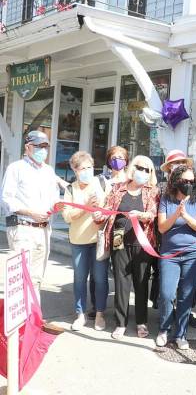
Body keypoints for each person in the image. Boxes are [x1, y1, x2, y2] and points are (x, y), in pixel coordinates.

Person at [95, 155, 160, 340]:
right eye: (140, 167)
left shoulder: (152, 191)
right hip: (118, 240)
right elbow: (106, 210)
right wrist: (98, 214)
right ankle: (120, 323)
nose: (143, 172)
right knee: (121, 282)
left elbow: (153, 213)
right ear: (132, 168)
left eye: (148, 170)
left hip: (142, 242)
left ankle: (141, 322)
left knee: (141, 283)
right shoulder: (118, 188)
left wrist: (141, 215)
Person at [1, 130, 60, 294]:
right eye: (39, 146)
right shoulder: (16, 168)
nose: (43, 151)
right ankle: (20, 320)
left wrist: (59, 206)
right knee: (20, 279)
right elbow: (6, 199)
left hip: (44, 230)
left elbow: (54, 198)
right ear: (28, 147)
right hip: (23, 228)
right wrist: (30, 213)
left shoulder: (48, 170)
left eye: (46, 147)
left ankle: (34, 318)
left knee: (36, 279)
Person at [156, 165, 196, 349]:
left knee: (186, 295)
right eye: (185, 181)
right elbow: (162, 227)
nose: (188, 184)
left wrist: (185, 215)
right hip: (170, 254)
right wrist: (176, 213)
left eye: (192, 181)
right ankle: (164, 329)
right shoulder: (166, 199)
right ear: (176, 181)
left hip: (193, 254)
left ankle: (181, 334)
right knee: (167, 293)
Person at [61, 151, 110, 332]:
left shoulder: (103, 183)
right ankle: (80, 314)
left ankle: (99, 314)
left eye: (90, 167)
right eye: (83, 168)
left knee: (100, 279)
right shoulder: (70, 189)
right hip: (78, 241)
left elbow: (111, 209)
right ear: (75, 170)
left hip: (98, 240)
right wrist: (86, 208)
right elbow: (67, 216)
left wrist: (101, 213)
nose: (87, 171)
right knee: (80, 278)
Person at [87, 145, 130, 320]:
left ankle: (121, 310)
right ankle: (97, 307)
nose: (117, 160)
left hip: (119, 232)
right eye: (114, 157)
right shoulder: (101, 180)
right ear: (108, 161)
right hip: (104, 231)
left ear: (126, 161)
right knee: (99, 269)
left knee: (119, 269)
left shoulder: (130, 180)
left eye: (121, 157)